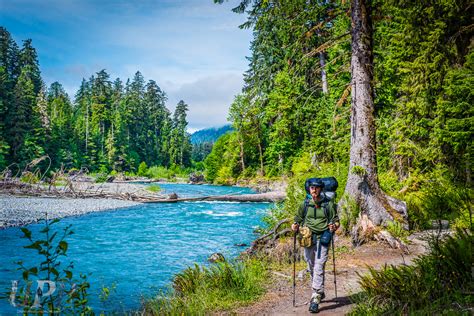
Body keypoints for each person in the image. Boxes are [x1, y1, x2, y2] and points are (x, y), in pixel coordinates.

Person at [291, 178, 340, 313]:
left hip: (323, 238)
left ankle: (315, 296)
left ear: (321, 189)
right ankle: (319, 290)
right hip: (308, 238)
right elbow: (297, 219)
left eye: (317, 188)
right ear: (309, 189)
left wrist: (333, 227)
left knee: (319, 265)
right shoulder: (305, 204)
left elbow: (336, 221)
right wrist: (294, 226)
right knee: (311, 265)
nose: (314, 190)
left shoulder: (328, 204)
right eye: (312, 187)